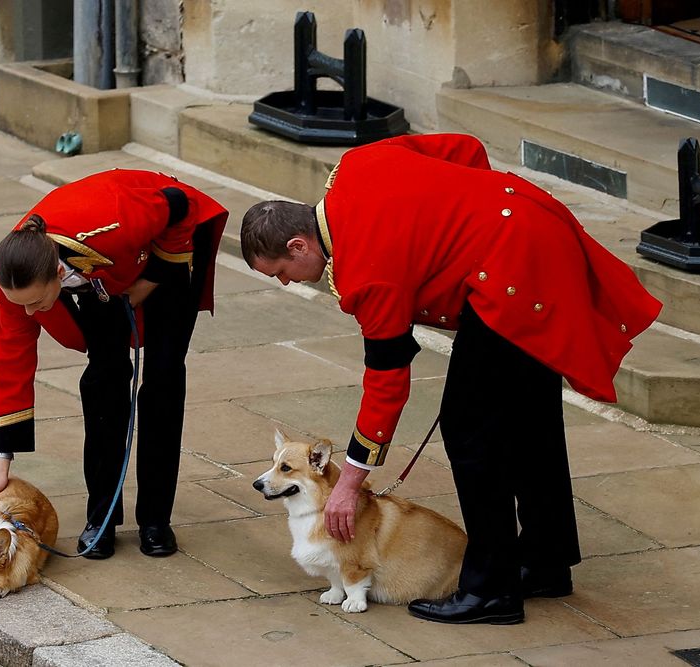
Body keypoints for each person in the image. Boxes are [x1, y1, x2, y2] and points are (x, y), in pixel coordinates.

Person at [240, 133, 661, 624]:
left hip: (511, 276)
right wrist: (473, 214)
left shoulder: (366, 273)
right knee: (529, 418)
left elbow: (387, 382)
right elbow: (463, 149)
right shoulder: (356, 165)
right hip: (531, 226)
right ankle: (546, 561)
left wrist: (349, 483)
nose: (289, 282)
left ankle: (491, 589)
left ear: (298, 243)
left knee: (469, 432)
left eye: (284, 272)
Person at [0, 168, 228, 560]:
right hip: (102, 277)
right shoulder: (11, 282)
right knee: (103, 381)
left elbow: (181, 207)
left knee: (163, 379)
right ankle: (102, 518)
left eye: (35, 302)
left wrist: (151, 280)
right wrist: (1, 464)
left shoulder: (115, 221)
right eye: (20, 302)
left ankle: (155, 520)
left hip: (165, 252)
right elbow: (10, 368)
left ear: (58, 273)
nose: (26, 312)